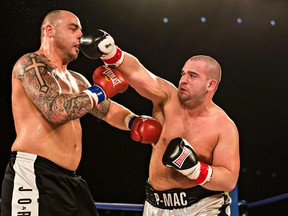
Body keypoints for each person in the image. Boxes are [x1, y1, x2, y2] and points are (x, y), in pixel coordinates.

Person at [1, 10, 162, 216]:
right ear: (50, 30)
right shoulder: (31, 64)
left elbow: (107, 110)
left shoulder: (77, 80)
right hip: (34, 174)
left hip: (71, 180)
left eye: (80, 30)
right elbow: (55, 110)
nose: (80, 35)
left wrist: (134, 122)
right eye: (73, 28)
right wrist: (101, 90)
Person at [79, 29, 240, 215]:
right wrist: (111, 51)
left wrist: (195, 170)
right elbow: (138, 72)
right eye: (183, 73)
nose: (183, 80)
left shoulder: (224, 127)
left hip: (202, 206)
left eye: (192, 76)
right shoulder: (167, 99)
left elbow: (228, 179)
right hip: (155, 205)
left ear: (210, 85)